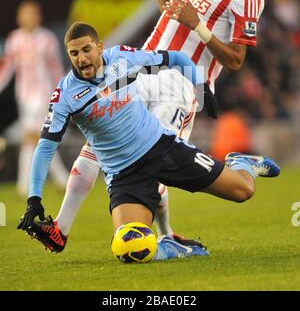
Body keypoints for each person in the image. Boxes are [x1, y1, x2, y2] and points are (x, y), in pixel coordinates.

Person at [17, 23, 280, 261]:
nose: (81, 59)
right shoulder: (64, 95)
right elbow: (45, 147)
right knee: (129, 249)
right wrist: (34, 199)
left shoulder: (121, 58)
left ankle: (241, 162)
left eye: (86, 50)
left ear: (99, 47)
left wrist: (202, 88)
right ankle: (174, 247)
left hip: (164, 150)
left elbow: (175, 58)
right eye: (74, 54)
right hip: (125, 177)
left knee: (244, 190)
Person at [0, 0, 69, 196]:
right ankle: (61, 178)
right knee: (41, 138)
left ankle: (24, 184)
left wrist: (62, 90)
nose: (28, 18)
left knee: (30, 137)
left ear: (39, 16)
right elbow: (7, 68)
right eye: (24, 14)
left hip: (43, 93)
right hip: (23, 95)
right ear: (19, 18)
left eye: (32, 14)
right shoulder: (14, 40)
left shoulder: (47, 39)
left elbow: (55, 66)